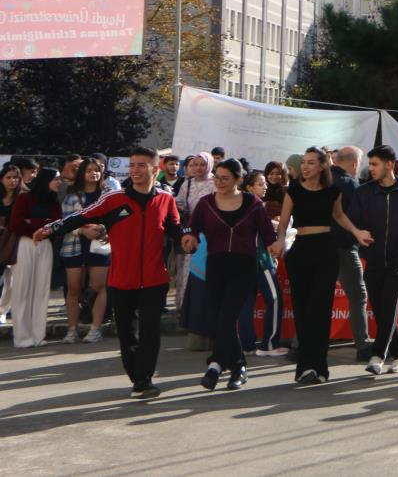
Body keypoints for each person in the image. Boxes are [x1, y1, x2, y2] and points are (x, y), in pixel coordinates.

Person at [34, 149, 181, 397]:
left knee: (150, 332)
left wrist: (187, 237)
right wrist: (52, 228)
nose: (135, 170)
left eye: (142, 165)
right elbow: (80, 216)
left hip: (155, 279)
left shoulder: (166, 199)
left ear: (155, 170)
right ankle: (138, 376)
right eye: (132, 165)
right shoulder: (114, 199)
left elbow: (175, 226)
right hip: (122, 279)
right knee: (126, 333)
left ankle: (144, 379)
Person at [180, 158, 276, 390]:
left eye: (225, 178)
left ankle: (215, 365)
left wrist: (275, 246)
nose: (219, 182)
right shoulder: (206, 203)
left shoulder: (253, 203)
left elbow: (267, 235)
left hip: (243, 268)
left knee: (227, 317)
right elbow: (191, 228)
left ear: (238, 180)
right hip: (215, 266)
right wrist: (189, 237)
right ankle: (238, 366)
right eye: (217, 177)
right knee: (217, 319)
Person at [337, 145, 398, 375]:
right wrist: (359, 233)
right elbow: (352, 221)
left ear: (390, 164)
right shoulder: (364, 191)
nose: (371, 169)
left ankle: (378, 354)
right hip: (373, 258)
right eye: (369, 164)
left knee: (389, 306)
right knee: (380, 309)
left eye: (375, 164)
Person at [271, 147, 342, 384]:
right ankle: (304, 367)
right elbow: (283, 223)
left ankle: (319, 367)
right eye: (303, 162)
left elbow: (340, 217)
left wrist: (357, 232)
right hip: (300, 252)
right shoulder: (293, 191)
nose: (305, 166)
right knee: (302, 311)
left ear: (323, 165)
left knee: (320, 311)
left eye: (311, 162)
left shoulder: (333, 191)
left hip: (326, 251)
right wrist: (280, 241)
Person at [59, 156, 113, 344]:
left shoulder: (109, 194)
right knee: (74, 288)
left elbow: (116, 220)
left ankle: (95, 328)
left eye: (97, 170)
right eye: (89, 170)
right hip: (74, 246)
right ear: (82, 173)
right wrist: (82, 230)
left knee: (99, 287)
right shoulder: (72, 196)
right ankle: (72, 329)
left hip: (101, 245)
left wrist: (104, 230)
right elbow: (64, 223)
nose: (93, 173)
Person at [9, 168, 62, 348]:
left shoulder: (54, 202)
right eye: (56, 179)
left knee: (41, 290)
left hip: (45, 246)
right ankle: (22, 337)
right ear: (46, 180)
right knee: (22, 290)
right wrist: (41, 227)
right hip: (25, 244)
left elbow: (56, 224)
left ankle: (38, 335)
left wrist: (35, 224)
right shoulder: (25, 198)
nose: (59, 182)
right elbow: (15, 223)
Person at [330, 145, 374, 362]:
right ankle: (363, 345)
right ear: (355, 164)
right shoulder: (350, 184)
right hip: (345, 247)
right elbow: (362, 216)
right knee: (358, 297)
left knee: (317, 297)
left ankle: (298, 346)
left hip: (320, 246)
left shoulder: (320, 181)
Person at [238, 170, 286, 358]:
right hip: (260, 261)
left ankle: (247, 345)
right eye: (260, 184)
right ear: (249, 187)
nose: (265, 187)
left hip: (242, 262)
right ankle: (269, 344)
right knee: (274, 299)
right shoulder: (256, 205)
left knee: (246, 304)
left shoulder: (236, 204)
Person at [171, 153, 214, 311]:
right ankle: (184, 308)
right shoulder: (187, 184)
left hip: (210, 235)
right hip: (190, 232)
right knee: (185, 270)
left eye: (202, 164)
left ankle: (202, 309)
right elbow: (180, 203)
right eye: (195, 164)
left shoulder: (215, 183)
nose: (198, 168)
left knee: (204, 270)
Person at [0, 162, 21, 327]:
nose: (12, 181)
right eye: (8, 177)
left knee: (13, 281)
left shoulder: (23, 197)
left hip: (16, 241)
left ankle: (3, 311)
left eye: (15, 177)